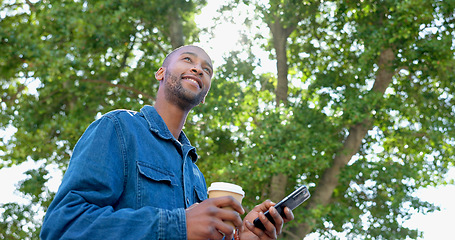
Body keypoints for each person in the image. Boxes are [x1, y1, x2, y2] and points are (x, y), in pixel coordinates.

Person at [40, 45, 294, 240]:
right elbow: (63, 226)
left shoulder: (196, 176)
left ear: (203, 95)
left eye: (207, 70)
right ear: (161, 72)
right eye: (188, 60)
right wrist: (178, 225)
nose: (198, 69)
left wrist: (240, 236)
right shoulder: (119, 127)